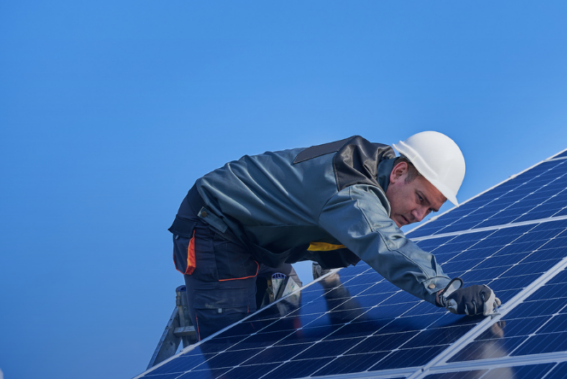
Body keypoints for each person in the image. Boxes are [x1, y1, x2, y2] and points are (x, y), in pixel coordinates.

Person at [169, 131, 500, 340]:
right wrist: (446, 291)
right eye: (421, 199)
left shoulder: (381, 168)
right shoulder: (351, 190)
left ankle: (324, 265)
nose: (418, 215)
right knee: (234, 348)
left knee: (284, 327)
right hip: (217, 225)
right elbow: (383, 244)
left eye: (430, 210)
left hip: (267, 239)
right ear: (399, 172)